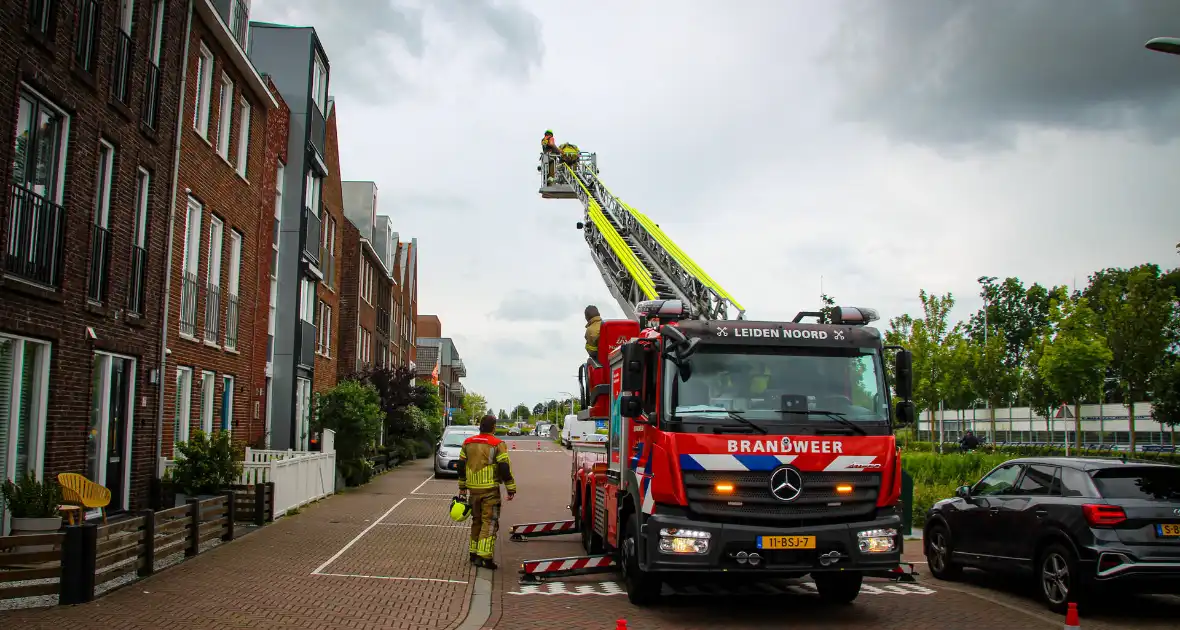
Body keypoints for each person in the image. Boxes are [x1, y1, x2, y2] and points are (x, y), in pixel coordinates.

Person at [457, 414, 517, 569]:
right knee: (489, 522)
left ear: (480, 426)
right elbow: (504, 467)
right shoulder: (497, 444)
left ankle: (473, 553)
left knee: (476, 521)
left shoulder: (467, 443)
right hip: (490, 490)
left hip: (473, 490)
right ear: (494, 427)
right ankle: (484, 557)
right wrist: (510, 487)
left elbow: (461, 465)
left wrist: (462, 487)